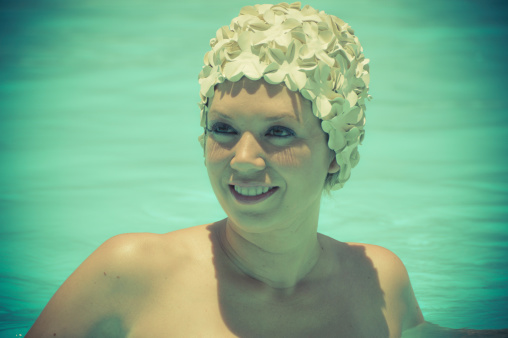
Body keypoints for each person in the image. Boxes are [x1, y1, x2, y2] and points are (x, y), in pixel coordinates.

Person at [27, 3, 426, 337]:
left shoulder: (378, 284)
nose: (243, 159)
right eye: (224, 129)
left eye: (279, 132)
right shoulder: (129, 274)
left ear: (337, 148)